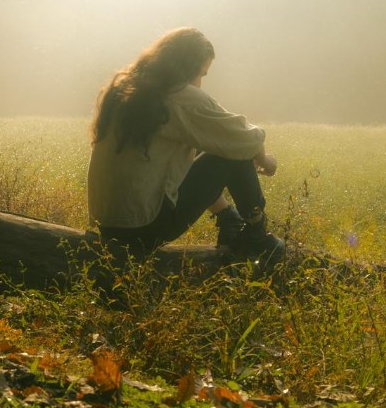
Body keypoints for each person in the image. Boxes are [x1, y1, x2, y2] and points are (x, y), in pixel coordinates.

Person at [87, 27, 285, 261]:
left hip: (108, 225)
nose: (200, 83)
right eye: (201, 74)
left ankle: (229, 219)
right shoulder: (178, 96)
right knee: (232, 149)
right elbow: (244, 137)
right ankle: (257, 237)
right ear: (185, 68)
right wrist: (265, 159)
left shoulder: (127, 87)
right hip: (143, 228)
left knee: (215, 143)